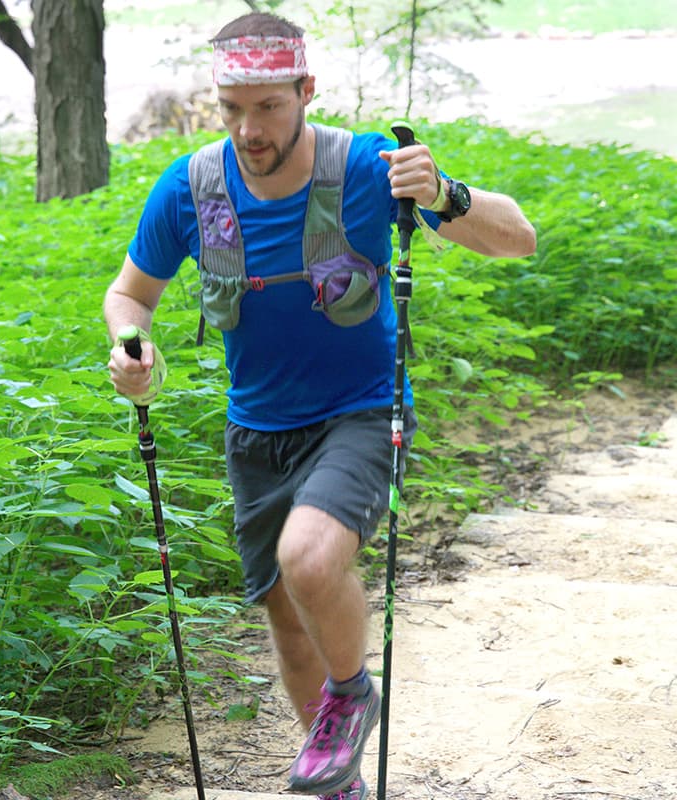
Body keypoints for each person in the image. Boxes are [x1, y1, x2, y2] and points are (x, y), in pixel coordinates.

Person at [104, 12, 536, 800]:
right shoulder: (193, 185)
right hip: (256, 432)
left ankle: (352, 695)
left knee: (309, 560)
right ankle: (338, 782)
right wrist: (133, 348)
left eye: (267, 106)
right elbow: (130, 294)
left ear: (306, 90)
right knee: (287, 620)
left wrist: (445, 192)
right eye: (232, 108)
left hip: (363, 413)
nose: (247, 128)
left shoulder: (367, 165)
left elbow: (518, 238)